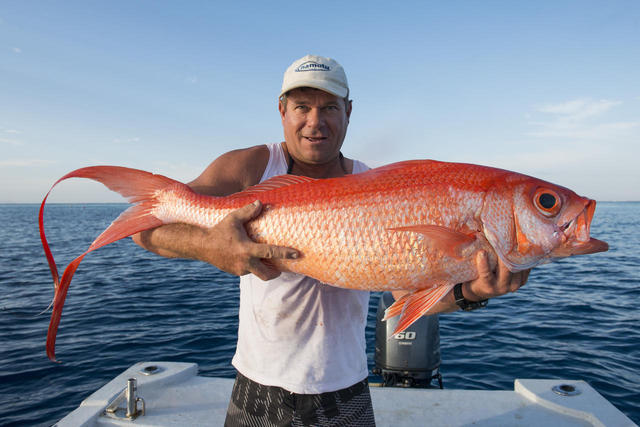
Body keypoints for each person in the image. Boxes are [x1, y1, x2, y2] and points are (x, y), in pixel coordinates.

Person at [132, 54, 530, 426]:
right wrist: (209, 246)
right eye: (302, 106)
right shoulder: (251, 167)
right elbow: (146, 229)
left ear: (349, 112)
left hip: (345, 387)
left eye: (330, 108)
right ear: (282, 111)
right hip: (258, 385)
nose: (315, 122)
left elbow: (402, 293)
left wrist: (471, 293)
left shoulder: (378, 186)